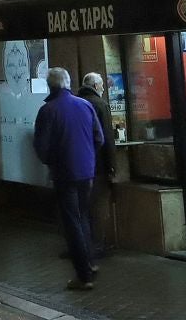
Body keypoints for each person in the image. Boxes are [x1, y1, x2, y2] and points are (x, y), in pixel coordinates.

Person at [34, 67, 105, 292]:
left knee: (71, 223)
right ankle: (91, 262)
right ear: (68, 83)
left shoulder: (48, 111)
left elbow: (42, 148)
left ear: (50, 86)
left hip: (64, 174)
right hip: (87, 172)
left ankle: (83, 275)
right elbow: (99, 138)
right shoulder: (85, 105)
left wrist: (54, 161)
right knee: (83, 217)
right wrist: (88, 158)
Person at [77, 72, 117, 251]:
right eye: (101, 86)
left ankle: (82, 245)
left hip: (77, 165)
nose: (102, 89)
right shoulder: (100, 105)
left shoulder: (76, 103)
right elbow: (106, 138)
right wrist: (112, 166)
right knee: (99, 206)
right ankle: (97, 244)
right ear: (95, 86)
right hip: (97, 166)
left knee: (81, 208)